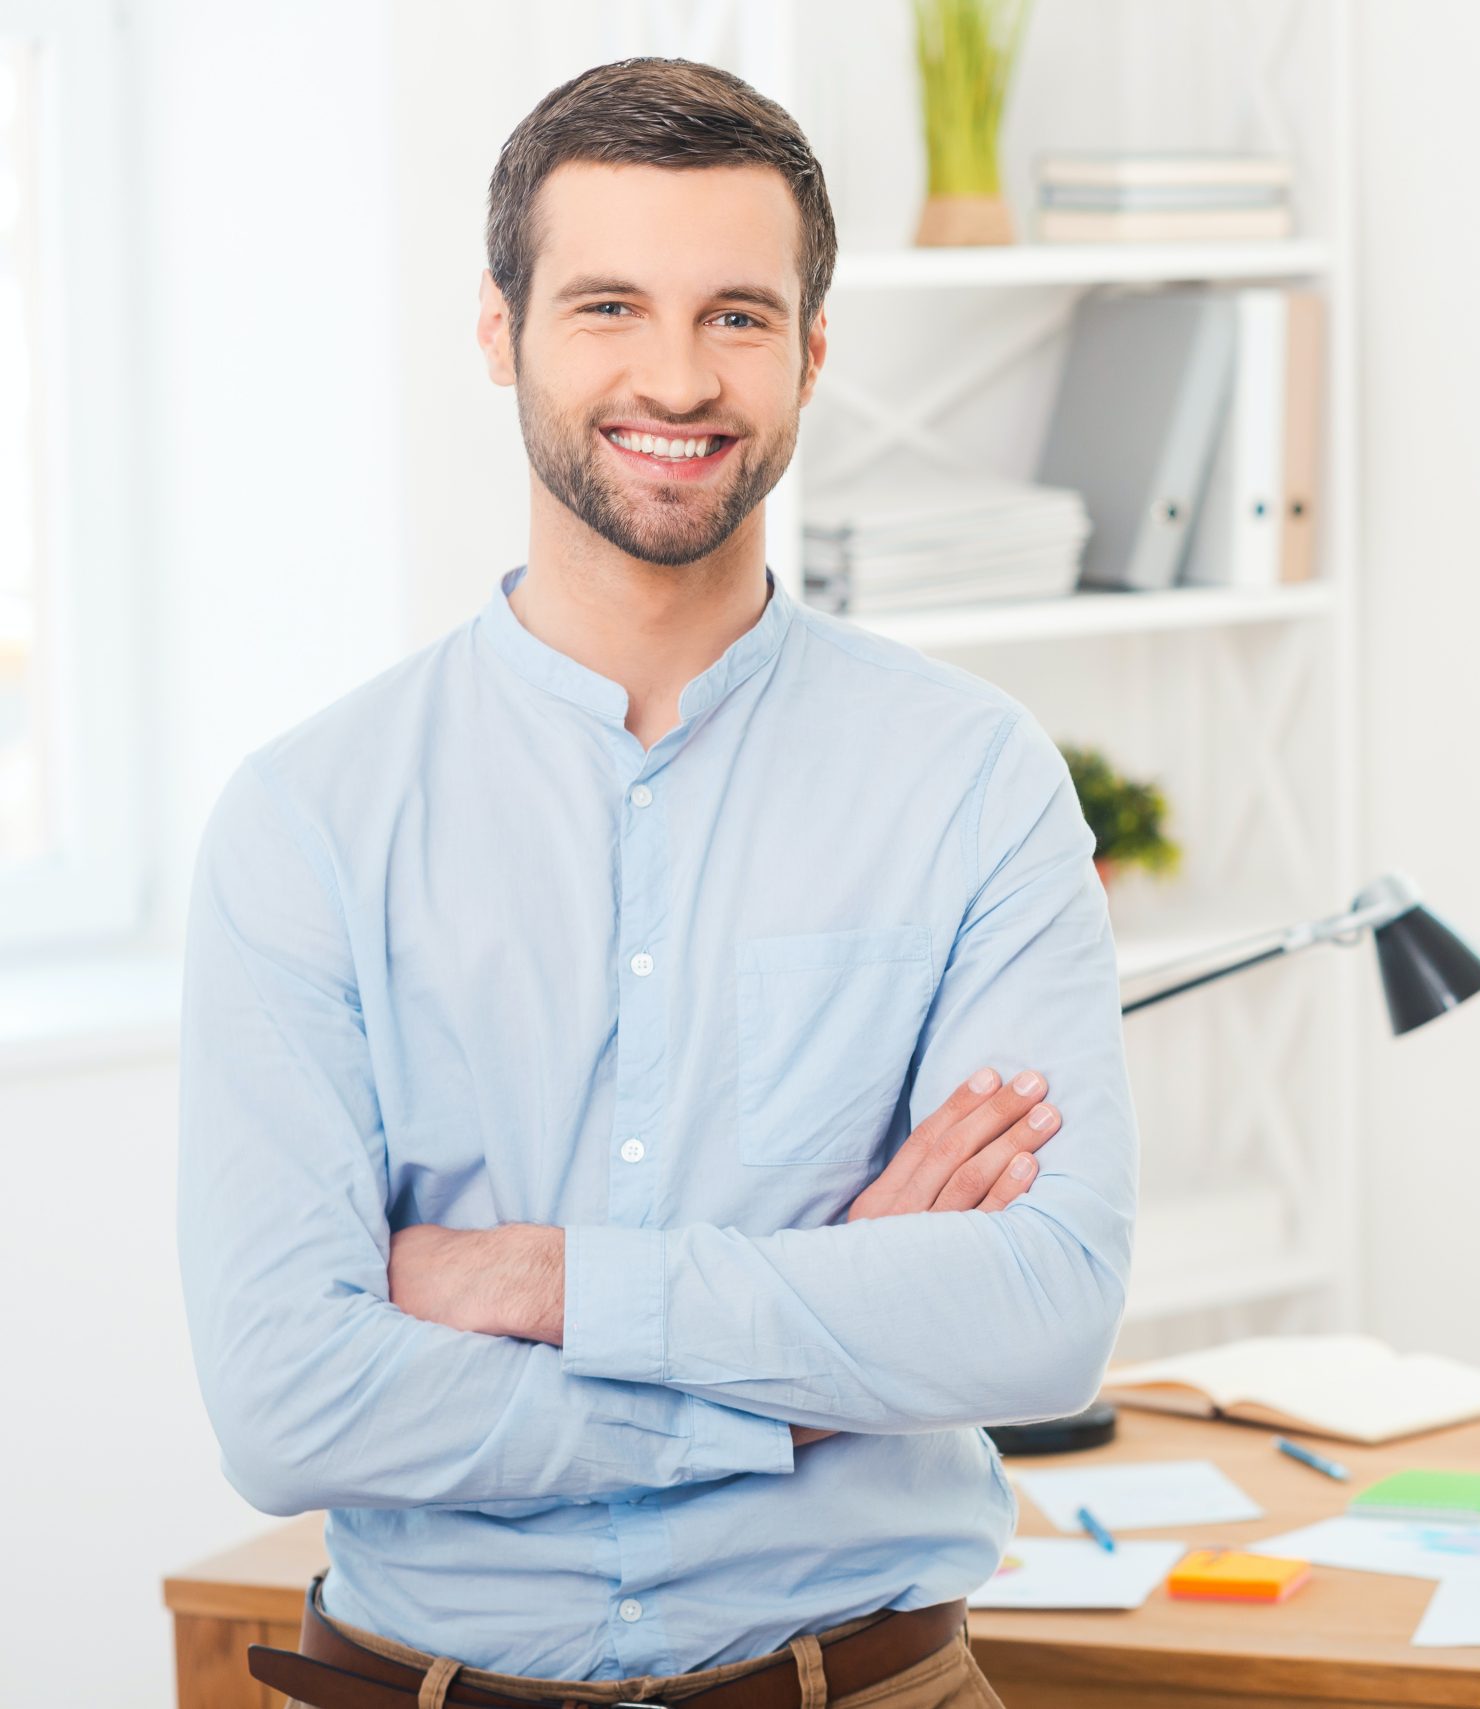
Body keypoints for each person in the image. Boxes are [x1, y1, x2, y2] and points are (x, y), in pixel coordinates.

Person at [174, 57, 1135, 1709]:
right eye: (609, 304)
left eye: (740, 317)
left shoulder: (972, 782)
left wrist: (550, 1278)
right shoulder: (308, 819)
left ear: (816, 352)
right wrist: (797, 1383)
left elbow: (1039, 1311)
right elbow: (288, 1402)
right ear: (501, 329)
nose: (677, 379)